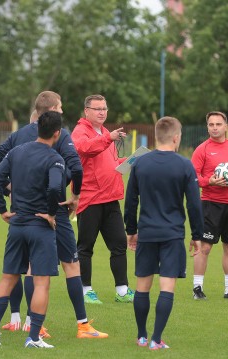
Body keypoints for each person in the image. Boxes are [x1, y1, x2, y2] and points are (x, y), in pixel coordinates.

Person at [0, 91, 107, 339]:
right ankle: (82, 326)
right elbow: (75, 167)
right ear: (51, 110)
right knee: (71, 264)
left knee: (26, 269)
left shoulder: (18, 136)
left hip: (20, 212)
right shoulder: (59, 133)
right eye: (59, 107)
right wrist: (73, 195)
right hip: (53, 211)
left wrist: (10, 193)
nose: (62, 111)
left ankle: (25, 325)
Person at [0, 111, 65, 348]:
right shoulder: (55, 158)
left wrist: (2, 209)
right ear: (57, 133)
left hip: (17, 225)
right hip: (40, 227)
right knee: (41, 283)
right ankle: (33, 338)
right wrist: (51, 214)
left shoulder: (16, 152)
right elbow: (54, 189)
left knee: (7, 279)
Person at [124, 116, 203, 350]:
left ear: (157, 136)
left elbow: (130, 202)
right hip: (172, 235)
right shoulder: (184, 165)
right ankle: (156, 340)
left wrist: (131, 231)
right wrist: (197, 234)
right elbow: (194, 204)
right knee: (167, 286)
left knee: (142, 286)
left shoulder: (139, 163)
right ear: (176, 137)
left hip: (146, 233)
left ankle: (141, 336)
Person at [71, 94, 133, 304]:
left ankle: (122, 290)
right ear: (86, 111)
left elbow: (112, 162)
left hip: (111, 197)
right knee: (86, 247)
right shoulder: (81, 131)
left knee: (119, 244)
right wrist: (109, 138)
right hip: (90, 198)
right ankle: (85, 289)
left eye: (104, 108)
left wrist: (132, 161)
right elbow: (85, 148)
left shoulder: (106, 132)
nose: (102, 112)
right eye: (97, 109)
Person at [190, 111, 228, 299]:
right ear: (207, 127)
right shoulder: (202, 149)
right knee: (205, 247)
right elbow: (193, 178)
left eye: (218, 124)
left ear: (225, 126)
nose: (214, 127)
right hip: (209, 204)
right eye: (211, 124)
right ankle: (197, 289)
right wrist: (210, 182)